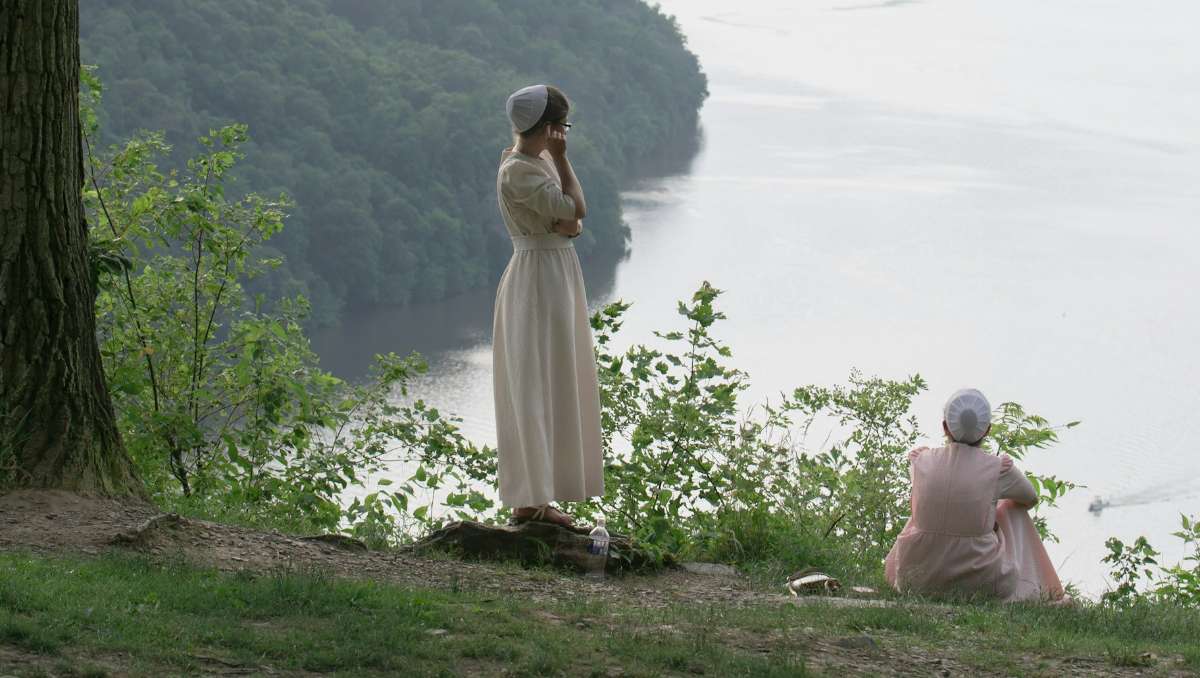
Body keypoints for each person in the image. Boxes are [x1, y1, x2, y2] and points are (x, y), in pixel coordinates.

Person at [491, 84, 603, 528]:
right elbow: (577, 210)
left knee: (556, 378)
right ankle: (530, 499)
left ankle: (542, 496)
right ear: (552, 128)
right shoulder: (519, 169)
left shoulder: (531, 164)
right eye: (563, 127)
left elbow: (570, 223)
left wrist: (567, 220)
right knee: (534, 384)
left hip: (554, 271)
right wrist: (563, 159)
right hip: (537, 276)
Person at [884, 389, 1067, 602]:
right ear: (987, 430)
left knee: (929, 509)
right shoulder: (997, 470)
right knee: (1011, 508)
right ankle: (1038, 584)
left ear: (945, 427)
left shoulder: (920, 461)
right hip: (981, 584)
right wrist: (995, 507)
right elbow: (1030, 498)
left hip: (914, 580)